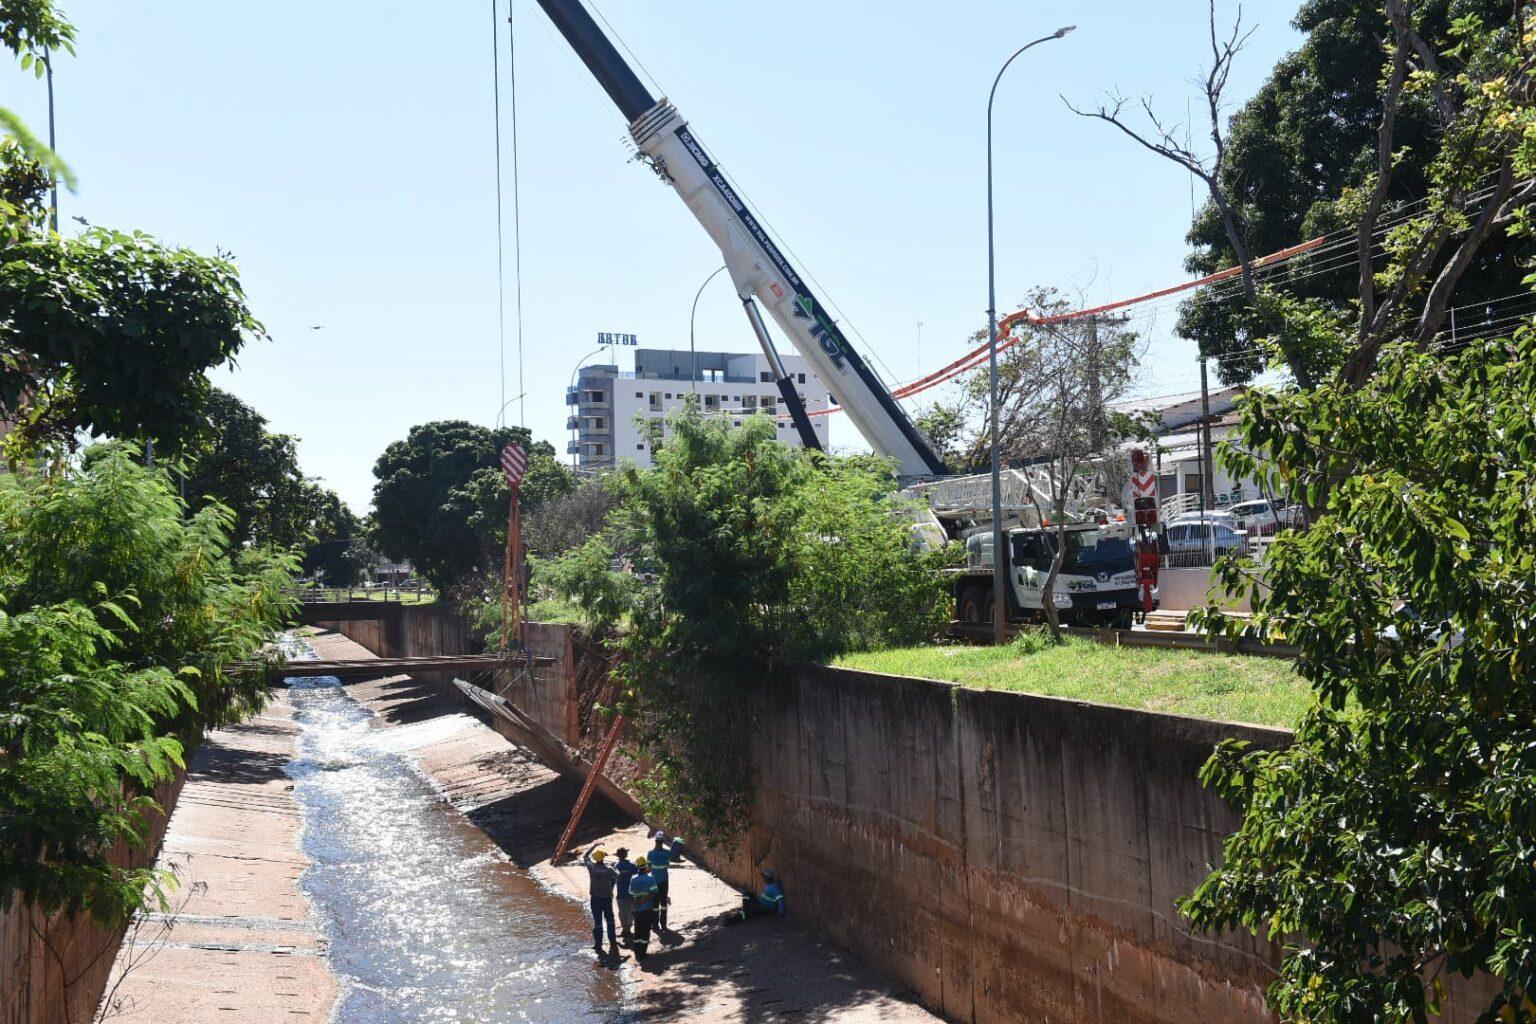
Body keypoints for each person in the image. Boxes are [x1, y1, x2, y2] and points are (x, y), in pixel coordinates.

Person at [581, 843, 619, 956]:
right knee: (610, 920)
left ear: (595, 859)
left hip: (595, 899)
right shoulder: (609, 869)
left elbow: (585, 856)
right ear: (603, 858)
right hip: (606, 899)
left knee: (598, 922)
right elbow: (617, 875)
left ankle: (598, 944)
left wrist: (594, 845)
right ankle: (612, 942)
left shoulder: (591, 868)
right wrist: (614, 867)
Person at [628, 856, 660, 958]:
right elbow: (654, 892)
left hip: (636, 910)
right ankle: (643, 953)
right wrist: (644, 900)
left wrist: (635, 905)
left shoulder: (633, 879)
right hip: (647, 909)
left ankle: (637, 953)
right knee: (645, 931)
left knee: (637, 931)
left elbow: (631, 894)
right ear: (645, 866)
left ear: (637, 867)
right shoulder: (650, 879)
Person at [647, 830, 674, 930]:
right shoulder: (667, 853)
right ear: (663, 841)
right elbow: (667, 863)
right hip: (664, 881)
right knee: (663, 903)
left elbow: (648, 869)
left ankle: (655, 925)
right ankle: (663, 925)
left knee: (655, 904)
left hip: (654, 882)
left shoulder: (650, 854)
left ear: (655, 841)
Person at [612, 846, 638, 945]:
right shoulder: (632, 865)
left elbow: (612, 878)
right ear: (626, 854)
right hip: (631, 893)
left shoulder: (615, 865)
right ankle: (628, 929)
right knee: (631, 912)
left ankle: (625, 929)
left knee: (622, 912)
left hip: (620, 893)